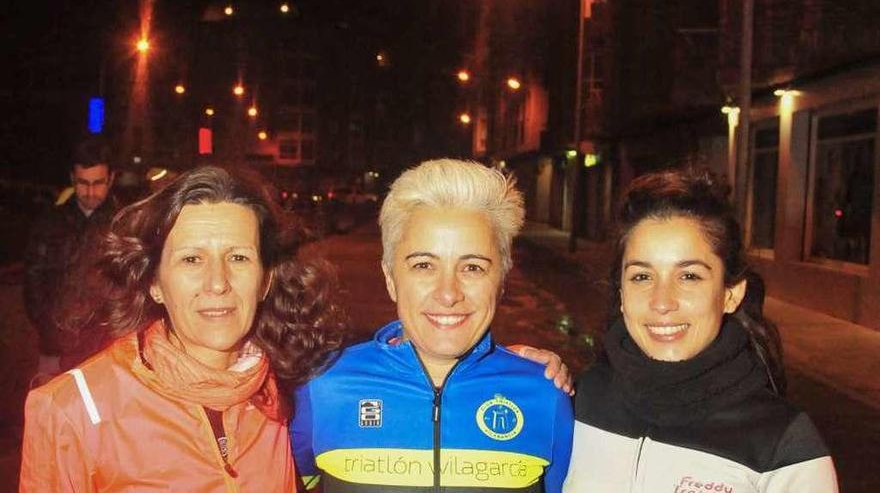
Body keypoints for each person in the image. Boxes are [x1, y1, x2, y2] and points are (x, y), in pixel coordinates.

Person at [19, 165, 346, 491]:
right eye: (191, 259)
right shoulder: (73, 410)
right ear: (154, 282)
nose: (218, 283)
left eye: (238, 258)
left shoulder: (276, 397)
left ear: (265, 279)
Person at [292, 159, 574, 492]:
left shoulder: (544, 395)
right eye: (424, 265)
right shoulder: (321, 386)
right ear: (390, 278)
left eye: (472, 267)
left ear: (501, 281)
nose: (448, 293)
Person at [562, 168, 838, 492]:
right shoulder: (581, 401)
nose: (662, 302)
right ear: (621, 295)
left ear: (730, 294)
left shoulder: (784, 445)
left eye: (689, 276)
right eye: (641, 276)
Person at [24, 138, 117, 379]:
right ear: (72, 180)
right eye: (83, 183)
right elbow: (34, 280)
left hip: (105, 349)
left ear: (111, 179)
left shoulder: (123, 226)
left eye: (98, 183)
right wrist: (49, 330)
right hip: (55, 346)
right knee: (52, 412)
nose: (90, 192)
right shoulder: (50, 223)